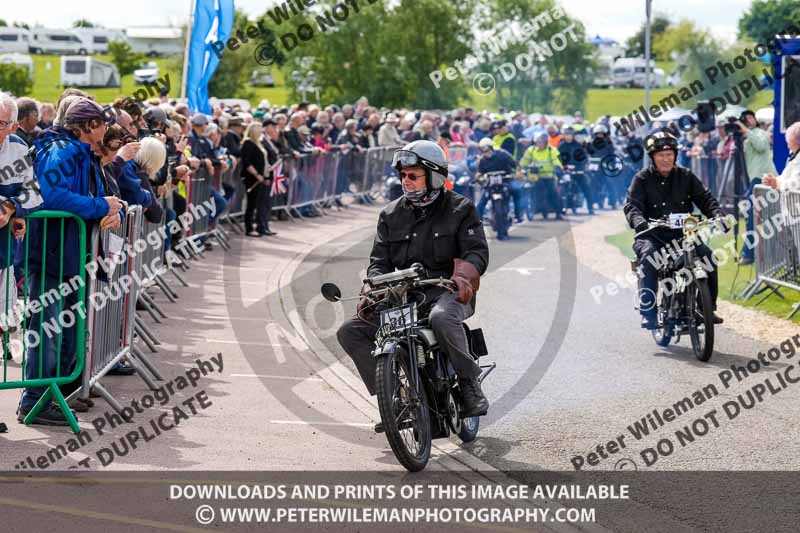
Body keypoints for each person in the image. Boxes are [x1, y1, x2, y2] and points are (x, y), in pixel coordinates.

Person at [336, 140, 490, 431]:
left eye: (412, 175)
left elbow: (477, 251)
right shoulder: (391, 214)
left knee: (441, 318)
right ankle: (393, 398)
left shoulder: (460, 209)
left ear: (433, 176)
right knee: (351, 331)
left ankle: (469, 384)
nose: (405, 181)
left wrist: (462, 277)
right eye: (403, 175)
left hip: (449, 292)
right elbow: (379, 261)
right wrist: (374, 290)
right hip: (405, 295)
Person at [20, 97, 124, 425]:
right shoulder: (61, 150)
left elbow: (85, 197)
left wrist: (105, 212)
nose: (106, 129)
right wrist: (99, 207)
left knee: (64, 331)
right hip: (51, 254)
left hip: (65, 254)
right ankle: (35, 401)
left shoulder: (75, 151)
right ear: (88, 126)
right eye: (101, 123)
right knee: (47, 331)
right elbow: (51, 196)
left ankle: (53, 396)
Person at [624, 131, 725, 330]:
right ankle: (649, 312)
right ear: (653, 157)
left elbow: (705, 199)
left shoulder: (686, 176)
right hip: (651, 236)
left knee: (708, 257)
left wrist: (717, 215)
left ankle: (706, 307)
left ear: (675, 156)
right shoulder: (642, 179)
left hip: (683, 236)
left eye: (670, 154)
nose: (666, 159)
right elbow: (632, 206)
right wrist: (639, 221)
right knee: (649, 259)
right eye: (661, 155)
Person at [739, 110, 779, 265]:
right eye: (747, 118)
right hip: (756, 178)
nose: (750, 119)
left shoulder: (759, 133)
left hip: (763, 178)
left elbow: (762, 146)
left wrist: (745, 130)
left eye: (751, 117)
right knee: (753, 216)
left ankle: (749, 253)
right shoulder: (747, 136)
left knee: (754, 216)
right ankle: (754, 252)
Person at [520, 133, 564, 220]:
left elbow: (557, 161)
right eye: (537, 142)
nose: (539, 144)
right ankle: (535, 209)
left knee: (553, 194)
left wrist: (557, 167)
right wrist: (522, 168)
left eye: (541, 142)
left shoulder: (551, 150)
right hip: (535, 176)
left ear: (545, 142)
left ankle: (558, 212)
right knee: (536, 192)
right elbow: (524, 161)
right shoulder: (531, 150)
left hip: (548, 176)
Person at [241, 122, 274, 236]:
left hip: (261, 176)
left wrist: (265, 174)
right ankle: (249, 228)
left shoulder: (259, 143)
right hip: (252, 178)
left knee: (256, 203)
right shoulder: (248, 143)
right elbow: (247, 162)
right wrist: (257, 175)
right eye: (259, 129)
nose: (262, 131)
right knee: (251, 204)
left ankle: (257, 226)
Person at [475, 137, 517, 221]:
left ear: (491, 147)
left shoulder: (503, 154)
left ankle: (518, 215)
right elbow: (480, 172)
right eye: (483, 150)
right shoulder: (482, 160)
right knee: (481, 202)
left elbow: (514, 164)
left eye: (487, 148)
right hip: (490, 183)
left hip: (505, 180)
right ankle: (478, 221)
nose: (486, 152)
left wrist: (517, 172)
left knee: (517, 193)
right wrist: (478, 178)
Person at [558, 126, 595, 215]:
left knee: (586, 188)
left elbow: (584, 158)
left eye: (570, 134)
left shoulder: (578, 145)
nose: (568, 136)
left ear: (573, 135)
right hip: (566, 171)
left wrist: (582, 167)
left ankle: (590, 208)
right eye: (566, 134)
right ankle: (561, 207)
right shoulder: (561, 146)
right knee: (561, 187)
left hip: (578, 171)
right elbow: (557, 158)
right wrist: (562, 166)